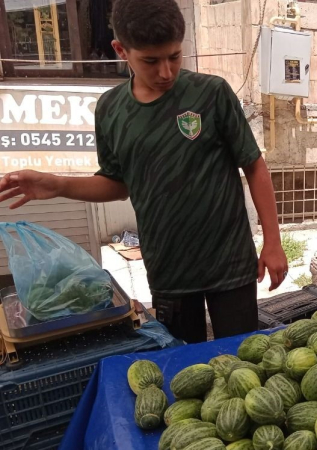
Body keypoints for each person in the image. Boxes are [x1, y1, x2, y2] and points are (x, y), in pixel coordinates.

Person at [0, 0, 288, 344]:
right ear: (121, 50)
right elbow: (117, 185)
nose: (166, 72)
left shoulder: (211, 94)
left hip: (230, 263)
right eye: (151, 61)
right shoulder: (111, 109)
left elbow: (254, 165)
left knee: (244, 361)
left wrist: (273, 241)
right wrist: (58, 184)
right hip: (169, 269)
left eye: (175, 57)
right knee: (185, 370)